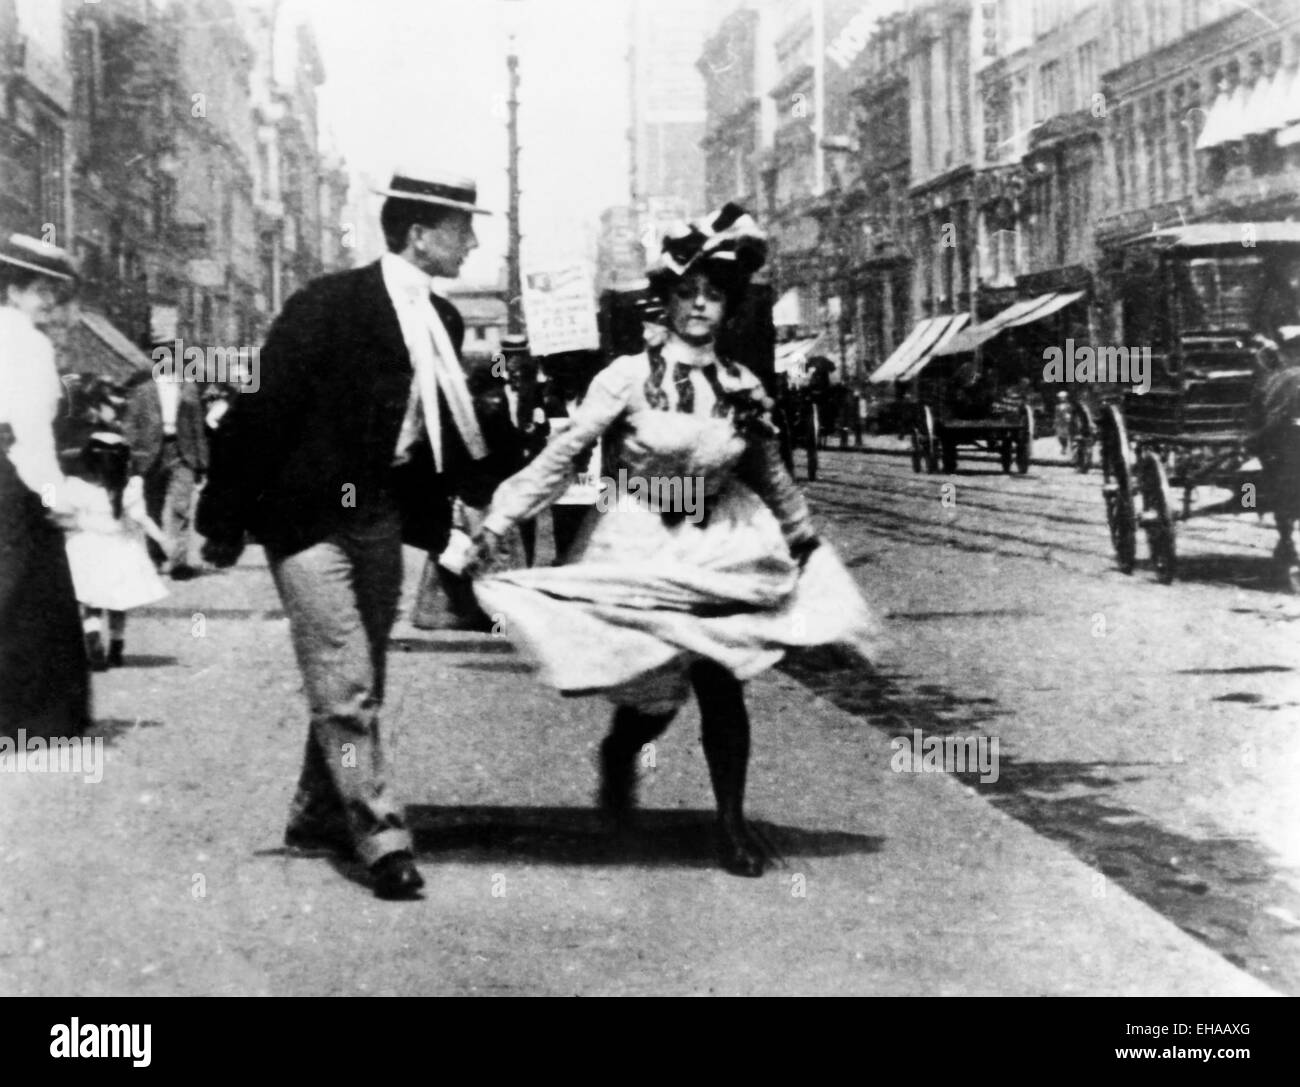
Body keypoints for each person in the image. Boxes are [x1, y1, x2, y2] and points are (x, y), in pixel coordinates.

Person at [465, 204, 879, 877]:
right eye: (688, 294)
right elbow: (562, 456)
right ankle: (621, 752)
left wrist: (804, 540)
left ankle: (732, 825)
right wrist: (498, 522)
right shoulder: (627, 377)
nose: (699, 307)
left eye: (713, 297)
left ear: (728, 307)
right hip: (640, 539)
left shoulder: (742, 388)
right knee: (653, 693)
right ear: (667, 301)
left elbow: (769, 474)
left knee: (721, 681)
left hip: (720, 543)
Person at [197, 171, 493, 900]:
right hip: (306, 519)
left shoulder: (444, 322)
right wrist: (222, 517)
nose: (474, 241)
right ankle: (380, 833)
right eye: (462, 230)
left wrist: (489, 502)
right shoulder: (330, 305)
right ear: (418, 235)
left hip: (380, 517)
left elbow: (448, 434)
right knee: (346, 679)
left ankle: (313, 810)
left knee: (356, 680)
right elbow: (260, 411)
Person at [0, 234, 91, 738]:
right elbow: (31, 435)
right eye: (40, 291)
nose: (49, 303)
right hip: (9, 478)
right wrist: (55, 498)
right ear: (13, 291)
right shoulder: (29, 345)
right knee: (22, 594)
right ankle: (25, 719)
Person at [63, 432, 170, 669]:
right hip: (121, 549)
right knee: (118, 602)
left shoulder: (77, 486)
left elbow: (65, 514)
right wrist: (162, 540)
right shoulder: (131, 487)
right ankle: (116, 647)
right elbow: (142, 518)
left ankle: (93, 638)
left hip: (87, 549)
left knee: (91, 601)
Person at [122, 361, 209, 579]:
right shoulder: (143, 391)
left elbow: (198, 426)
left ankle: (179, 562)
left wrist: (201, 462)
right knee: (153, 507)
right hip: (150, 455)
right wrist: (131, 455)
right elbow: (131, 425)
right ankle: (156, 557)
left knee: (181, 505)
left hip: (182, 452)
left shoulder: (188, 389)